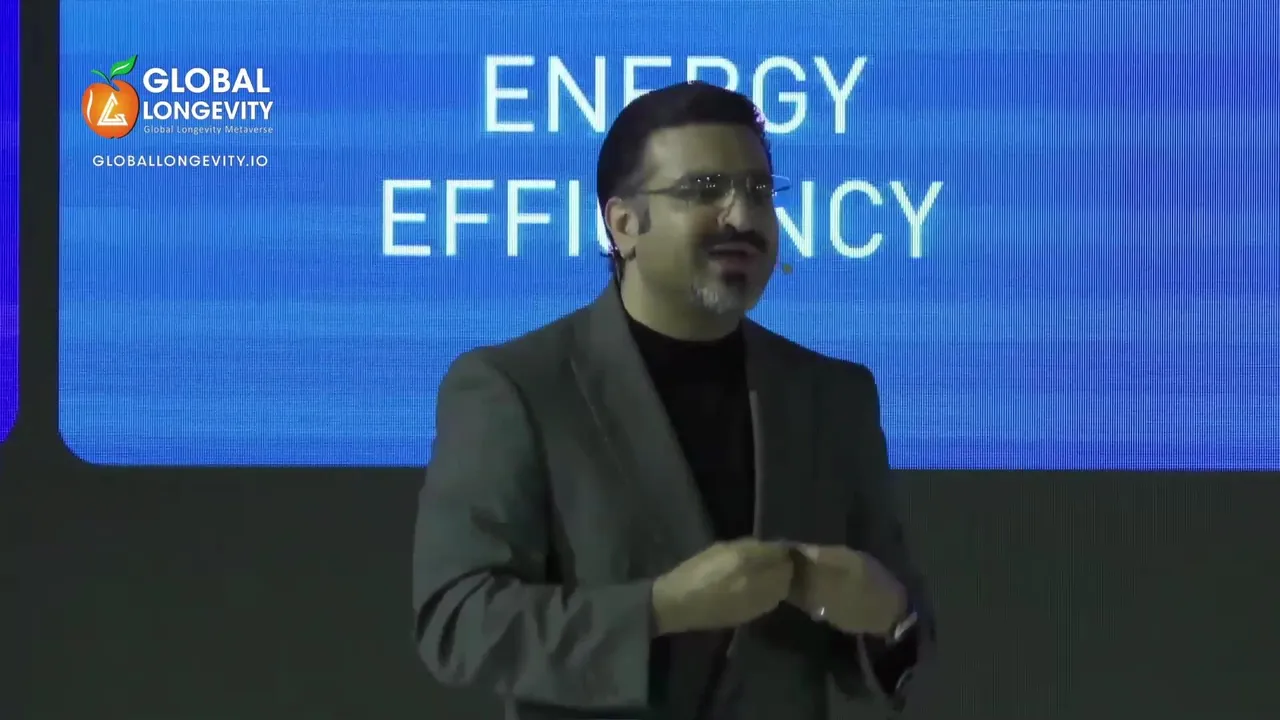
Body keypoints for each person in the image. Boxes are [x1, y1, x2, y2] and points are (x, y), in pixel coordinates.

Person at [413, 81, 935, 720]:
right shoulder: (516, 387)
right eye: (705, 190)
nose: (742, 217)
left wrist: (887, 616)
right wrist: (661, 609)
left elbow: (906, 627)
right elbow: (460, 621)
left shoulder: (834, 396)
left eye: (759, 191)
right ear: (623, 224)